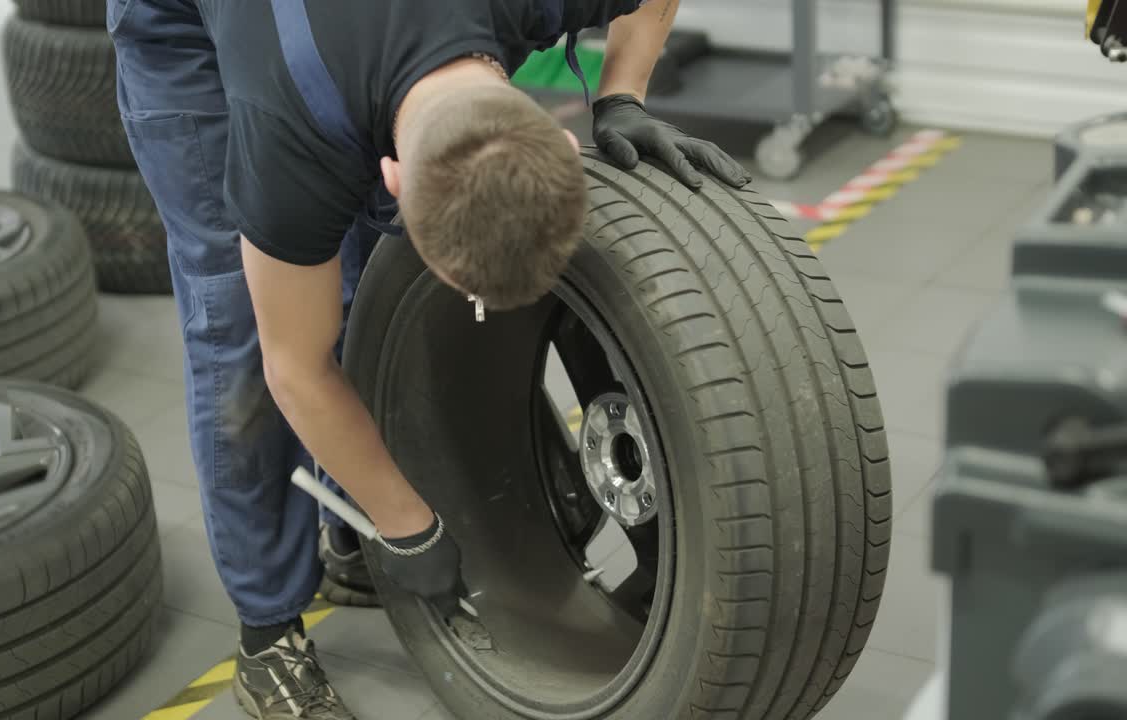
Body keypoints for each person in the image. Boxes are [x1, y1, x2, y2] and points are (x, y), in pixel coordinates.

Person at [107, 0, 749, 716]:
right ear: (393, 178)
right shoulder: (284, 145)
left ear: (563, 143)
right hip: (194, 35)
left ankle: (351, 534)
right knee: (246, 330)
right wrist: (408, 525)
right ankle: (267, 633)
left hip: (330, 50)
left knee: (350, 284)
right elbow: (296, 370)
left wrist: (622, 93)